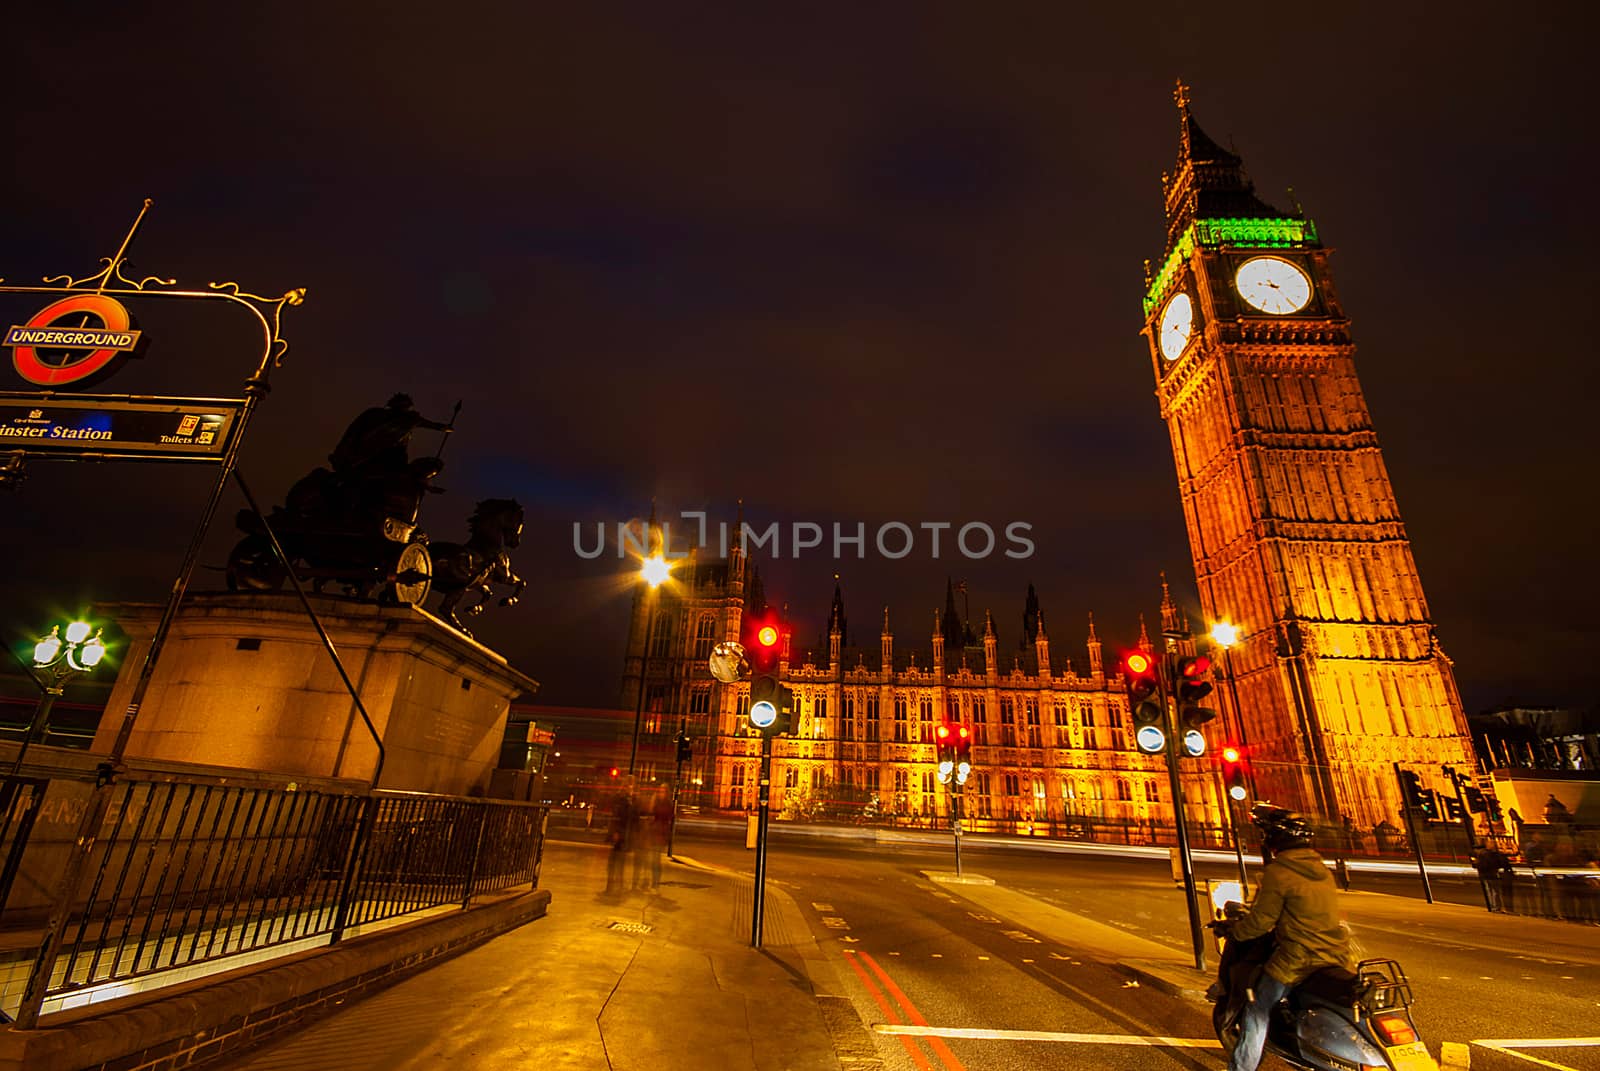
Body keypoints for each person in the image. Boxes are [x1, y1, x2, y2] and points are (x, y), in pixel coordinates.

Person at [1219, 804, 1356, 1071]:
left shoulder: (1279, 873)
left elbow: (1260, 922)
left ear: (1274, 841)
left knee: (1257, 1008)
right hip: (1335, 953)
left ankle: (1241, 1068)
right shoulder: (1322, 871)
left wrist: (1235, 931)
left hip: (1297, 958)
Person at [1473, 845, 1513, 912]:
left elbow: (1484, 865)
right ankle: (1496, 906)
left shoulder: (1482, 855)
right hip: (1492, 874)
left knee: (1490, 891)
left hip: (1487, 875)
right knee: (1494, 891)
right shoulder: (1490, 854)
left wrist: (1477, 864)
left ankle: (1493, 906)